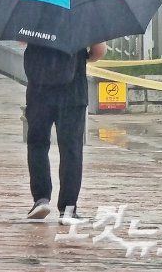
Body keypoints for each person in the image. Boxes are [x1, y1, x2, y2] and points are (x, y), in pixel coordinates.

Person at [24, 42, 107, 223]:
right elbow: (99, 50)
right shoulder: (83, 15)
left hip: (39, 91)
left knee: (38, 144)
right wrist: (81, 58)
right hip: (73, 92)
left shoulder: (35, 13)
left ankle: (41, 199)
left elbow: (22, 39)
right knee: (71, 149)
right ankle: (68, 209)